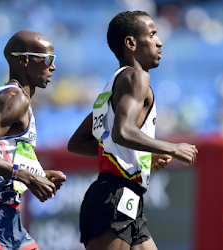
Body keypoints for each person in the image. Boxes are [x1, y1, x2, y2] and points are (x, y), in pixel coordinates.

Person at [67, 10, 198, 250]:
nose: (159, 42)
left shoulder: (111, 87)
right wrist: (173, 147)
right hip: (114, 197)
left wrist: (145, 156)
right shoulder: (137, 77)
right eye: (152, 34)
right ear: (131, 43)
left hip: (122, 197)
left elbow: (77, 143)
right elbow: (123, 132)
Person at [0, 30, 66, 250]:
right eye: (47, 59)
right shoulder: (15, 98)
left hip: (7, 215)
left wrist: (38, 174)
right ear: (24, 60)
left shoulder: (15, 99)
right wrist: (25, 177)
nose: (53, 67)